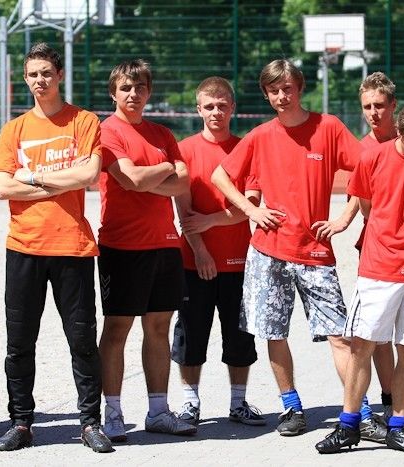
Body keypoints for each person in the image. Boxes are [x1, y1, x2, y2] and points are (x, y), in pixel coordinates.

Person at [212, 59, 360, 436]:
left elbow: (367, 171)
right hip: (268, 252)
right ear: (266, 94)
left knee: (339, 335)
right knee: (274, 333)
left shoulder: (328, 127)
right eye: (274, 90)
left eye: (287, 88)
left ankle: (357, 411)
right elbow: (220, 175)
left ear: (300, 88)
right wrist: (250, 210)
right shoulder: (261, 136)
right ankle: (291, 407)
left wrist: (344, 218)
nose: (282, 96)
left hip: (315, 253)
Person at [315, 101, 404, 455]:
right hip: (378, 270)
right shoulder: (372, 159)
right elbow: (366, 207)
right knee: (362, 347)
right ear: (400, 132)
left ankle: (398, 426)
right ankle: (348, 425)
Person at [0, 43, 112, 453]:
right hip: (24, 247)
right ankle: (21, 423)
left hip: (72, 247)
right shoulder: (15, 129)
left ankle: (90, 423)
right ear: (25, 79)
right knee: (19, 343)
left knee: (82, 341)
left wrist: (32, 177)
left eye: (46, 72)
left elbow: (89, 175)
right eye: (33, 74)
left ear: (59, 75)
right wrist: (58, 180)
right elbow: (3, 187)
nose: (40, 80)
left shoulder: (83, 121)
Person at [96, 59, 195, 442]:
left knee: (158, 328)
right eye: (125, 87)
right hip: (123, 246)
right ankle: (113, 413)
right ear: (113, 93)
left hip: (165, 244)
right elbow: (131, 179)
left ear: (149, 92)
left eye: (140, 87)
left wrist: (146, 178)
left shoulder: (161, 133)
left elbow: (182, 183)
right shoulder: (107, 131)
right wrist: (164, 168)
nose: (133, 94)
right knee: (117, 329)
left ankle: (158, 411)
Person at [171, 77, 264, 427]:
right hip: (193, 262)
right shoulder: (184, 150)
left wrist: (210, 220)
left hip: (239, 261)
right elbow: (184, 213)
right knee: (191, 333)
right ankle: (190, 403)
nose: (216, 112)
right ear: (198, 109)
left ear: (232, 108)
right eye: (209, 106)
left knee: (239, 336)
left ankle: (238, 404)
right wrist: (200, 251)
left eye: (222, 105)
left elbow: (250, 207)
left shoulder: (246, 149)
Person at [353, 72, 397, 443]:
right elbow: (363, 203)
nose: (373, 113)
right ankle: (389, 402)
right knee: (378, 335)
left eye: (379, 105)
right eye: (367, 106)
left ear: (393, 105)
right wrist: (342, 221)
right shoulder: (362, 150)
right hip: (376, 252)